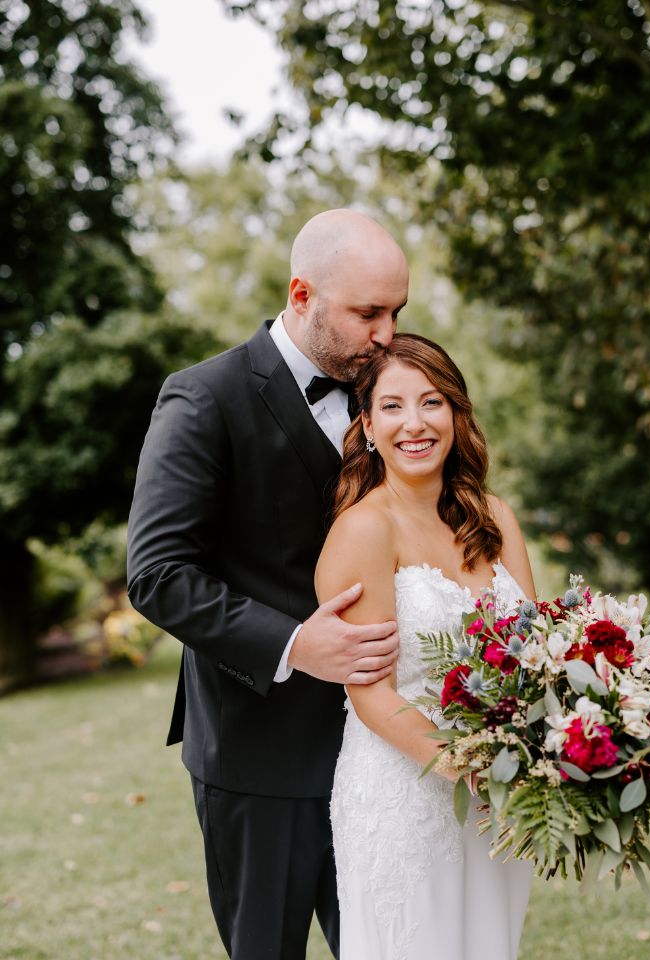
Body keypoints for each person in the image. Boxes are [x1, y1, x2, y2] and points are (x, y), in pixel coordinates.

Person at [126, 209, 409, 960]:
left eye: (396, 314)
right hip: (259, 758)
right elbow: (157, 574)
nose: (385, 334)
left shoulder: (391, 397)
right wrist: (292, 644)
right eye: (368, 313)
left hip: (383, 754)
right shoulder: (202, 398)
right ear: (302, 294)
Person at [316, 333, 535, 960]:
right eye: (392, 406)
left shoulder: (493, 517)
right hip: (405, 794)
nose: (414, 423)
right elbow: (370, 694)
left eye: (432, 402)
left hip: (499, 799)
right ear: (366, 424)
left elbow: (538, 654)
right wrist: (468, 766)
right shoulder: (363, 529)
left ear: (456, 414)